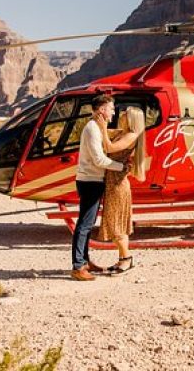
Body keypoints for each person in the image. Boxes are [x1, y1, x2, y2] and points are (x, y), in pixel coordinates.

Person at [70, 94, 125, 281]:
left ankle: (84, 261)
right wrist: (122, 167)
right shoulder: (92, 129)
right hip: (90, 182)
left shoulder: (97, 127)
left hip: (93, 180)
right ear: (102, 109)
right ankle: (78, 266)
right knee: (84, 224)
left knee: (87, 223)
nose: (113, 111)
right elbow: (99, 159)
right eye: (111, 108)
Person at [96, 106, 145, 274]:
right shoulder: (122, 132)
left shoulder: (131, 136)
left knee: (118, 224)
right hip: (112, 183)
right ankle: (122, 259)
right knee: (113, 222)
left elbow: (109, 148)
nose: (121, 115)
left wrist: (102, 128)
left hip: (118, 186)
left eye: (125, 114)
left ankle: (126, 259)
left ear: (131, 119)